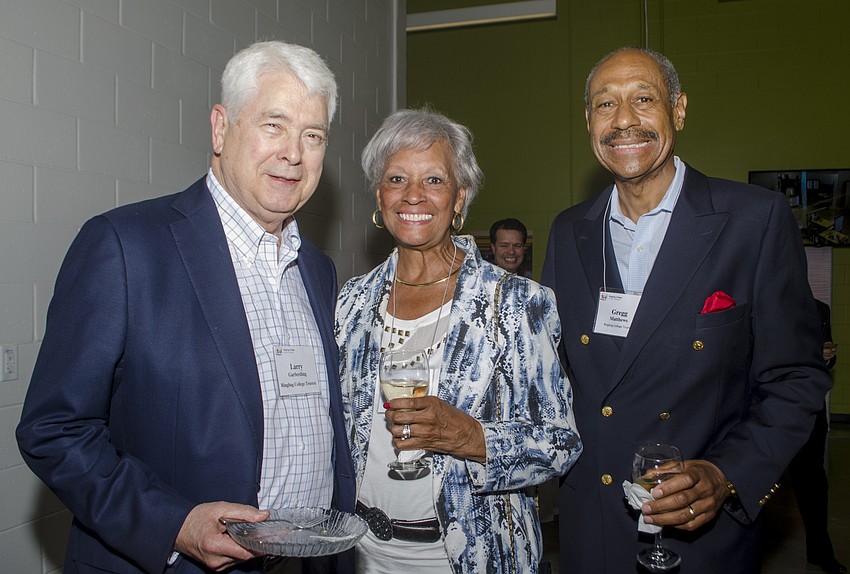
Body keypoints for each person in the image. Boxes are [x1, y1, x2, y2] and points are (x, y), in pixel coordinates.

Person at [16, 41, 355, 574]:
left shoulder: (317, 270)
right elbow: (54, 430)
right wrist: (175, 523)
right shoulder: (124, 247)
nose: (293, 152)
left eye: (312, 136)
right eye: (273, 125)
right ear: (221, 129)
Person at [541, 46, 832, 573]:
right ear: (588, 122)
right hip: (591, 525)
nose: (624, 120)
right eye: (606, 105)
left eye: (643, 99)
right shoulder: (568, 231)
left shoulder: (752, 219)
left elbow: (796, 377)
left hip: (699, 535)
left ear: (678, 110)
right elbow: (551, 373)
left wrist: (727, 475)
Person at [336, 108, 582, 573]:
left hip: (469, 557)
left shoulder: (513, 303)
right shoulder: (351, 303)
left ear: (460, 198)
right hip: (362, 555)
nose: (413, 195)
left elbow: (560, 444)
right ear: (379, 195)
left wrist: (472, 437)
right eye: (396, 179)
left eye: (433, 180)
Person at [787, 299, 846, 574]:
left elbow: (827, 354)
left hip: (809, 407)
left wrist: (827, 354)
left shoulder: (819, 309)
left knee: (812, 483)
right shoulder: (761, 298)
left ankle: (820, 552)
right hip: (764, 407)